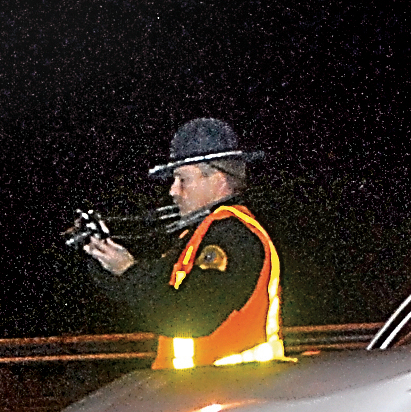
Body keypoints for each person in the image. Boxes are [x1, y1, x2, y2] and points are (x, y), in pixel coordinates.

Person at [81, 117, 284, 369]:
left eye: (182, 180)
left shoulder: (233, 237)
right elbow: (154, 288)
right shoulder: (199, 236)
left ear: (218, 180)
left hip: (230, 392)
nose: (173, 191)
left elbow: (191, 317)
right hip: (201, 391)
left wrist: (128, 271)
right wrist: (105, 261)